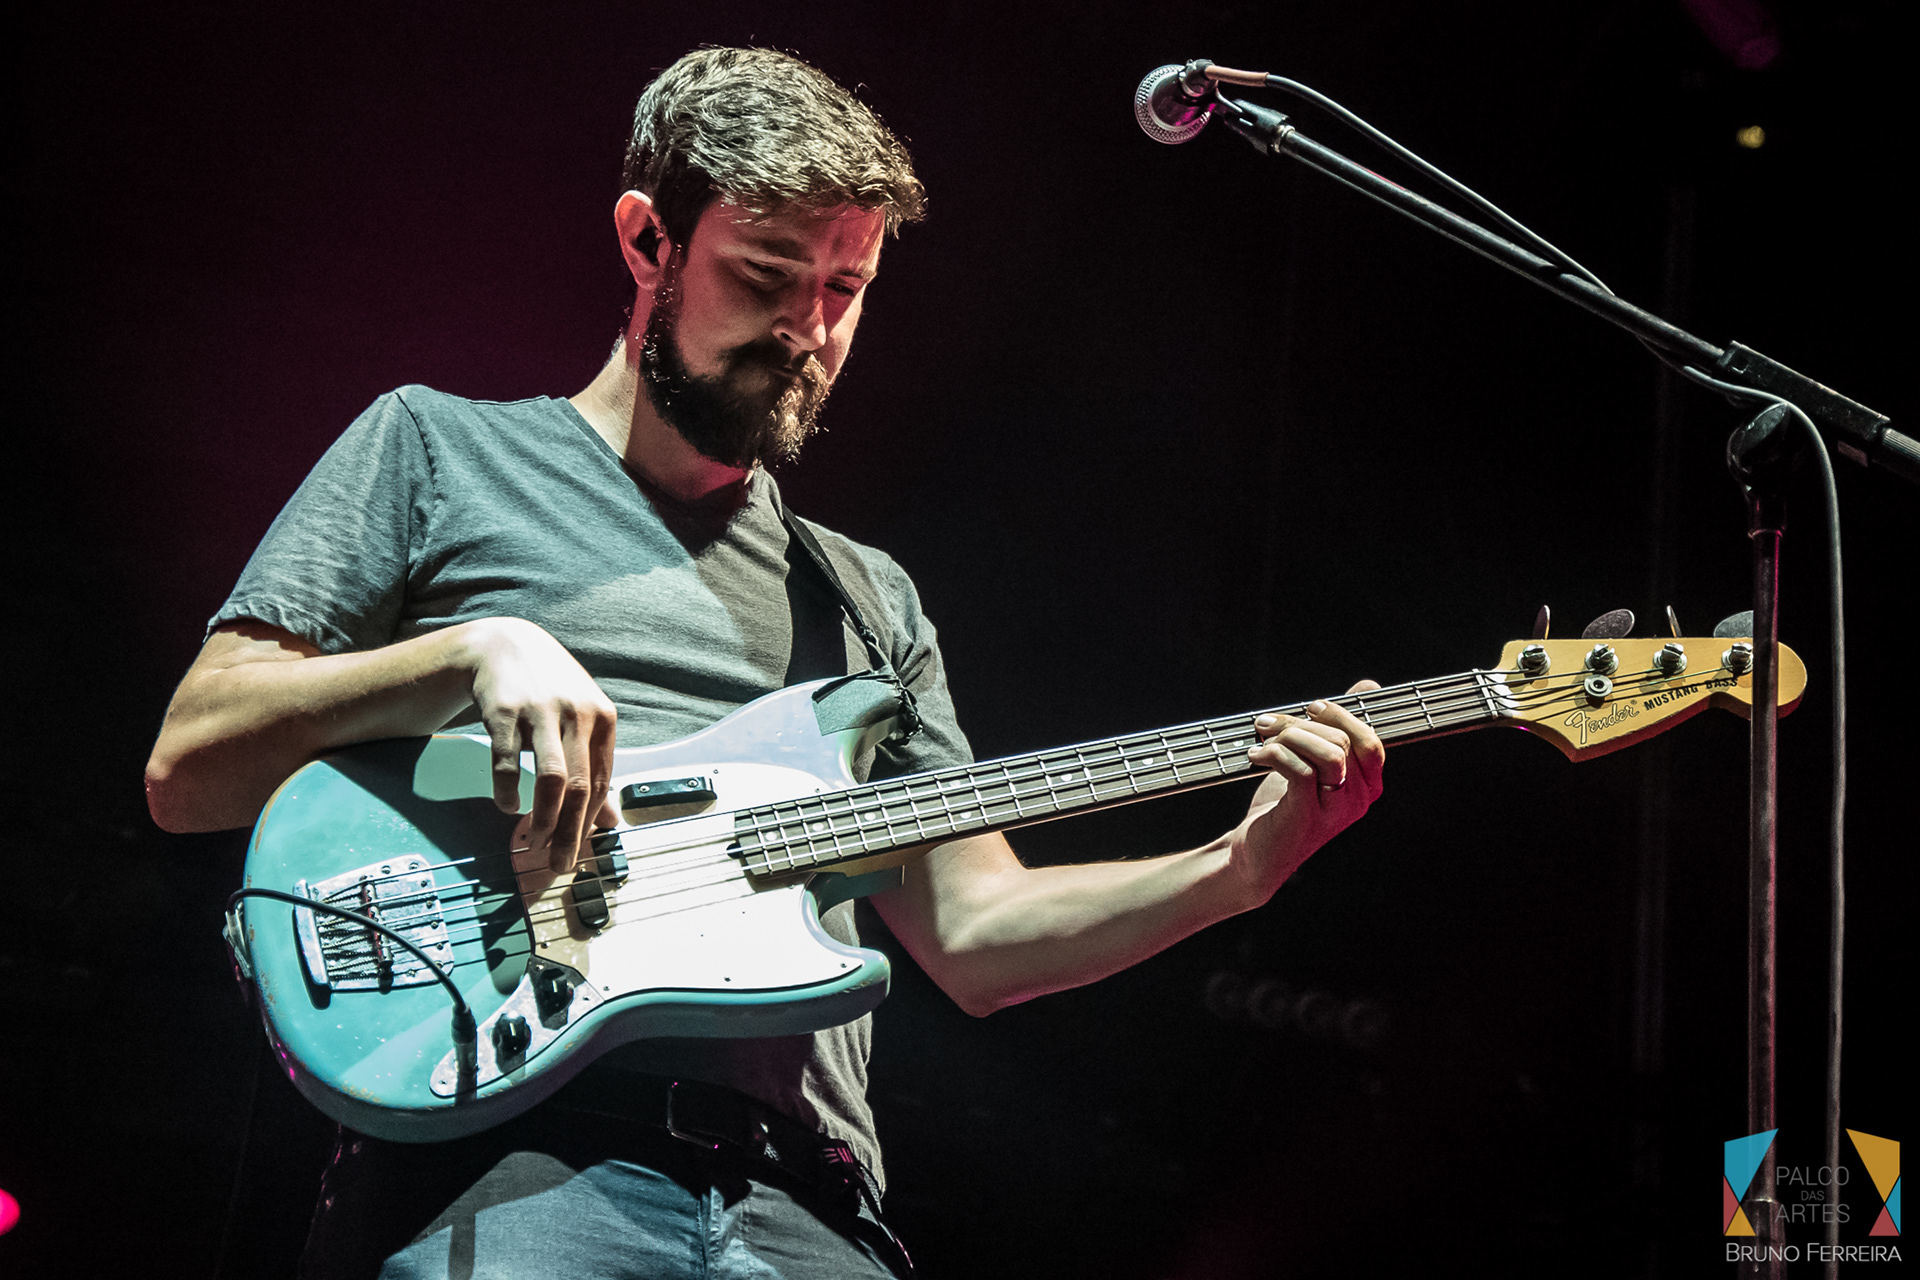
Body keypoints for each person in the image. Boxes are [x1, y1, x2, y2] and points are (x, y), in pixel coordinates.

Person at [145, 46, 1384, 1279]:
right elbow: (190, 766)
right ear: (649, 241)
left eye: (845, 286)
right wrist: (472, 653)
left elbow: (978, 931)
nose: (808, 329)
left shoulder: (866, 598)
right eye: (765, 273)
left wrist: (1236, 868)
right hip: (511, 1173)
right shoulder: (437, 451)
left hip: (806, 1208)